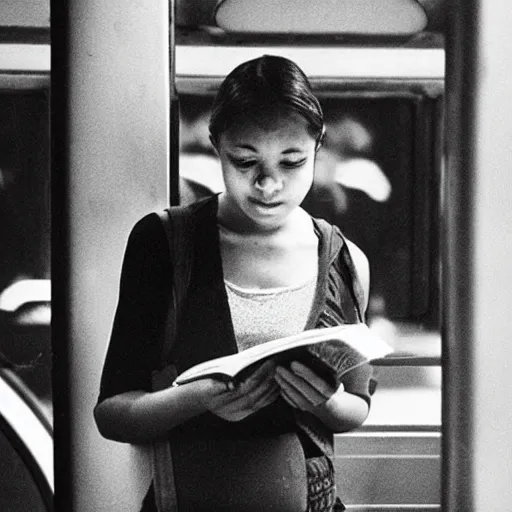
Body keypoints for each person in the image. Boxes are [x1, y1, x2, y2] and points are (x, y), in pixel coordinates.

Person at [94, 55, 373, 512]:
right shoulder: (165, 243)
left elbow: (356, 407)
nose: (268, 183)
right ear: (216, 145)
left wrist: (326, 400)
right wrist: (201, 397)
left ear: (317, 148)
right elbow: (113, 414)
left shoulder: (343, 257)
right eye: (244, 161)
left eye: (292, 161)